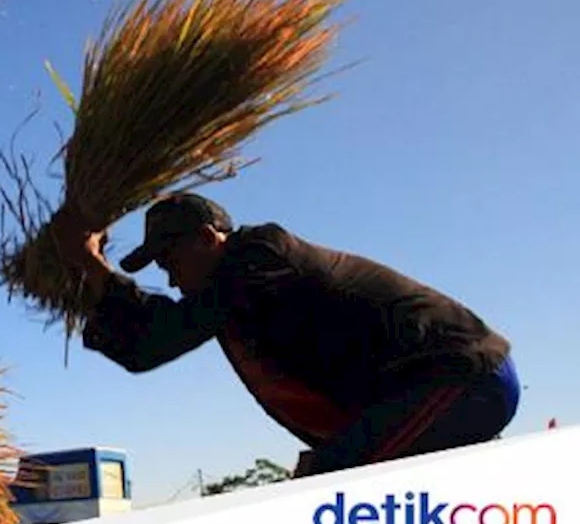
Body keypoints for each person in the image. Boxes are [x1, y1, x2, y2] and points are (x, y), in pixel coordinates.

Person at [59, 193, 520, 477]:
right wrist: (88, 278)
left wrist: (88, 263)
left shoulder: (258, 258)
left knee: (334, 483)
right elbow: (143, 349)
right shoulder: (234, 290)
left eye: (170, 263)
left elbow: (161, 336)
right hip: (431, 391)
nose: (173, 281)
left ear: (206, 237)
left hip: (459, 379)